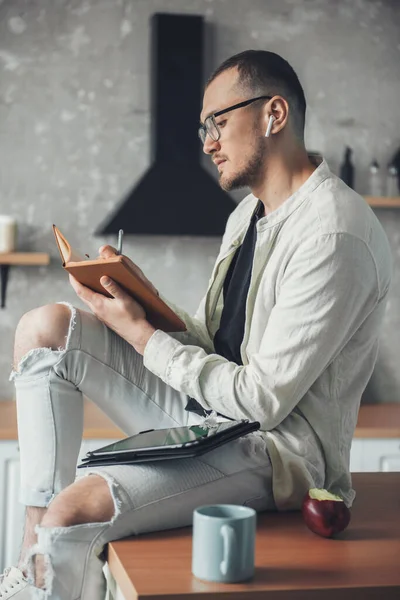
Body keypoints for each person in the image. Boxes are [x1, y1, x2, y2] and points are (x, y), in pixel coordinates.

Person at [0, 49, 392, 599]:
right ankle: (26, 565)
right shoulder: (246, 215)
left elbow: (261, 401)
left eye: (219, 122)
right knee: (45, 327)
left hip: (277, 451)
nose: (207, 141)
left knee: (72, 512)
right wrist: (141, 298)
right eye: (204, 126)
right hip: (213, 415)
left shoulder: (334, 235)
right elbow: (212, 345)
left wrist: (141, 333)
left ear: (273, 114)